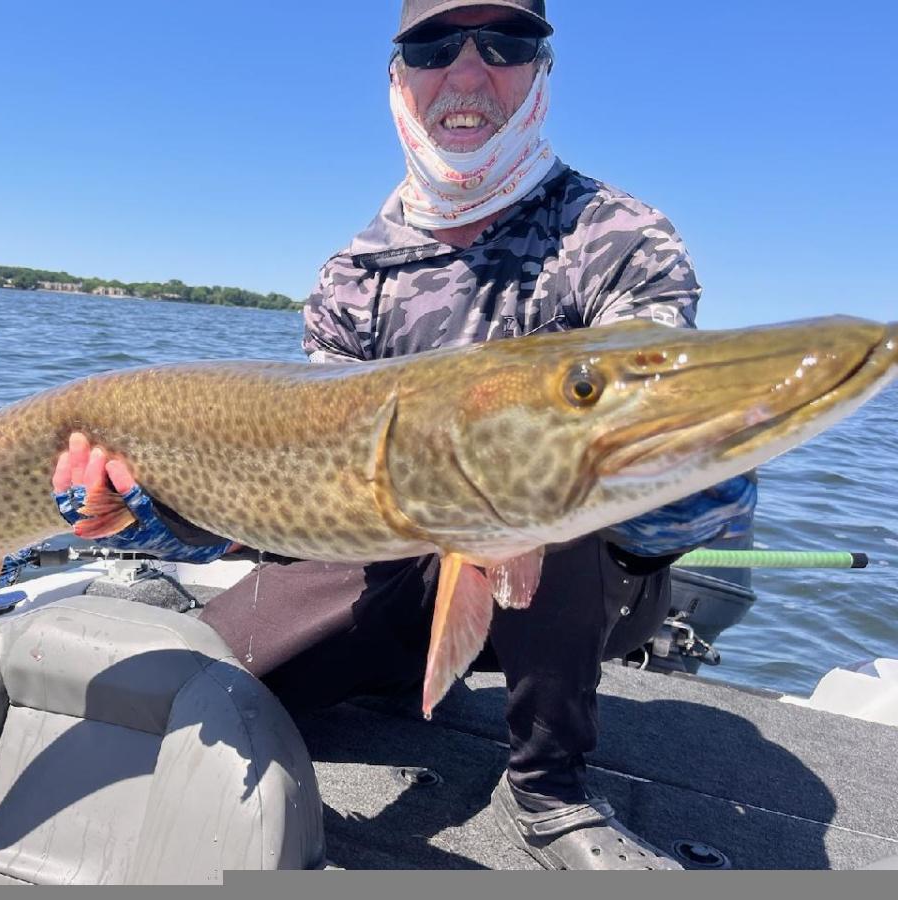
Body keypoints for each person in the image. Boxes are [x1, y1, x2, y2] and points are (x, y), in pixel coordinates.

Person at [52, 0, 756, 871]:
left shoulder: (618, 237)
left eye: (504, 43)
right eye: (431, 47)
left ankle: (551, 784)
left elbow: (653, 420)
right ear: (399, 76)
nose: (466, 73)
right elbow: (296, 474)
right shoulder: (354, 274)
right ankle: (395, 664)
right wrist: (158, 509)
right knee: (210, 695)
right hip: (396, 560)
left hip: (579, 589)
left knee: (546, 460)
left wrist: (696, 467)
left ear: (543, 68)